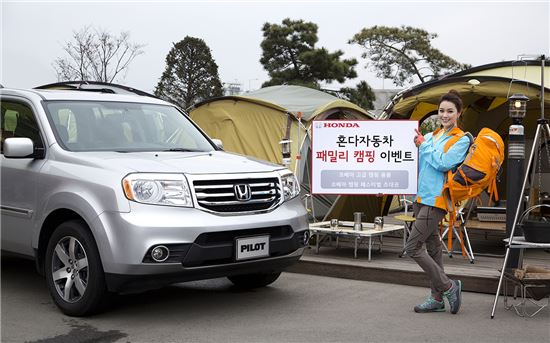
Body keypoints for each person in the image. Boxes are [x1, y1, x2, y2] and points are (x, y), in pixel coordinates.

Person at [406, 90, 471, 314]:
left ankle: (448, 286)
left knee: (412, 247)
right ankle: (436, 299)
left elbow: (444, 163)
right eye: (442, 111)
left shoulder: (461, 139)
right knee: (433, 248)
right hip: (420, 197)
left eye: (450, 111)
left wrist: (423, 145)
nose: (444, 115)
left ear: (458, 113)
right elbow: (422, 166)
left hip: (437, 199)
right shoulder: (433, 136)